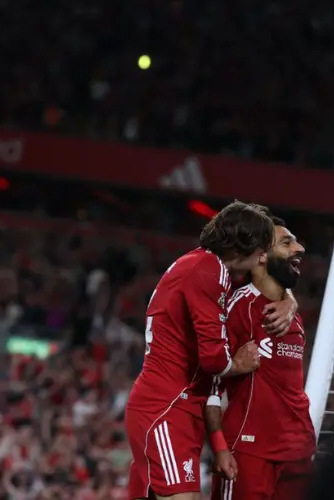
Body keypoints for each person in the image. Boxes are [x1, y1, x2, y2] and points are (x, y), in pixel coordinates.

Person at [125, 202, 298, 500]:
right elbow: (214, 359)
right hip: (166, 407)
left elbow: (273, 284)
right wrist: (238, 364)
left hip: (179, 406)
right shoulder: (209, 270)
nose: (263, 256)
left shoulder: (204, 266)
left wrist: (290, 300)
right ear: (241, 249)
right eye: (260, 249)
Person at [205, 216, 316, 500]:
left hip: (298, 452)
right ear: (261, 255)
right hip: (249, 450)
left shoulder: (293, 315)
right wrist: (219, 446)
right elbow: (209, 383)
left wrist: (290, 301)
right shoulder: (238, 308)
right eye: (287, 242)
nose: (299, 248)